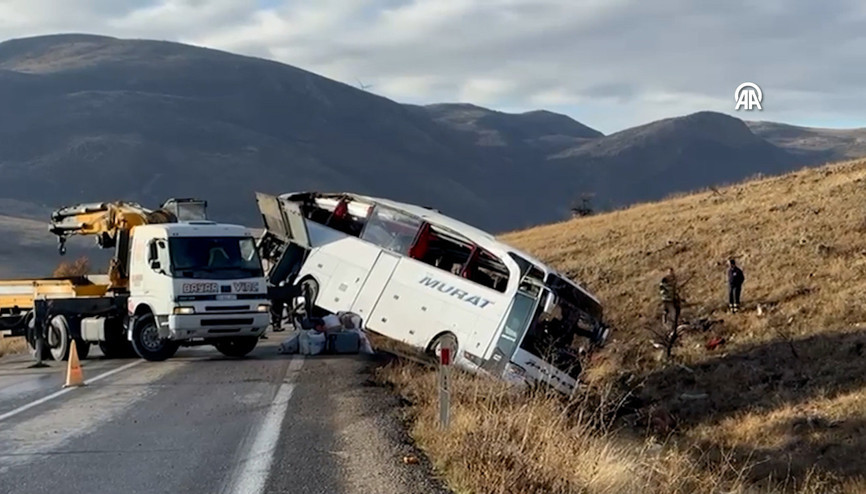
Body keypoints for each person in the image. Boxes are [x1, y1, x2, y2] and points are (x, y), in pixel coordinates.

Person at [659, 267, 681, 333]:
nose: (670, 274)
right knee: (672, 313)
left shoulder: (673, 281)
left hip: (672, 300)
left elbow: (675, 290)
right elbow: (665, 290)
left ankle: (671, 327)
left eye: (671, 272)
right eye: (669, 272)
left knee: (672, 313)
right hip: (668, 300)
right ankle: (670, 328)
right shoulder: (664, 281)